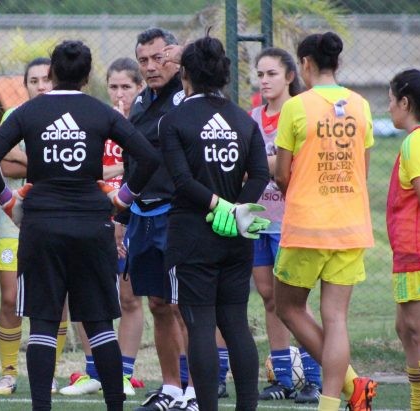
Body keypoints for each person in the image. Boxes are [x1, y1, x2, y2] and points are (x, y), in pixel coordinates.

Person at [0, 39, 160, 411]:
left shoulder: (29, 112)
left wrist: (9, 201)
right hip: (92, 227)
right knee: (99, 325)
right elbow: (148, 156)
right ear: (89, 76)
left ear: (53, 73)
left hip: (41, 227)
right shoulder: (99, 112)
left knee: (43, 326)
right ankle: (114, 406)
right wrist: (124, 198)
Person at [159, 34, 269, 411]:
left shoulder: (173, 120)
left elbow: (181, 181)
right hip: (237, 235)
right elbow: (259, 174)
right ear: (224, 74)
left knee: (201, 325)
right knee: (236, 323)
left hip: (192, 234)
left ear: (185, 74)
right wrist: (238, 209)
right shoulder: (243, 119)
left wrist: (218, 206)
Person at [273, 31, 377, 411]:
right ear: (339, 63)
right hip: (351, 225)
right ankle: (334, 401)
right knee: (336, 318)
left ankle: (350, 388)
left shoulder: (296, 107)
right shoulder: (362, 105)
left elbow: (281, 174)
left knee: (288, 307)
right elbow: (361, 173)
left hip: (306, 224)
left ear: (304, 64)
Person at [216, 47, 323, 404]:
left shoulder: (301, 112)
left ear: (291, 76)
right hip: (258, 218)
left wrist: (264, 163)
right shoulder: (251, 118)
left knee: (296, 299)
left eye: (272, 74)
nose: (264, 80)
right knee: (269, 297)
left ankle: (314, 376)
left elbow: (290, 167)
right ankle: (281, 376)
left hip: (291, 221)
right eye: (260, 74)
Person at [61, 57, 145, 398]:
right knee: (84, 293)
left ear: (140, 88)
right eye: (114, 86)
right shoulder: (96, 120)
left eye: (127, 86)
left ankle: (122, 371)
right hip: (95, 217)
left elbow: (142, 167)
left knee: (129, 298)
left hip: (132, 217)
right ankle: (94, 370)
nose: (120, 93)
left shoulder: (141, 123)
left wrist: (109, 177)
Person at [118, 27, 192, 411]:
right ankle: (172, 389)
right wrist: (122, 216)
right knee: (158, 305)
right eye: (143, 60)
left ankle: (197, 392)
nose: (151, 67)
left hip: (180, 216)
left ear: (176, 58)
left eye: (159, 58)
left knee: (186, 306)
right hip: (143, 216)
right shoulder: (142, 101)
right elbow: (134, 164)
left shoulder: (191, 98)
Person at [0, 57, 67, 396]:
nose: (41, 85)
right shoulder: (14, 116)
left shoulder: (69, 114)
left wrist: (26, 160)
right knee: (10, 299)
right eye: (34, 80)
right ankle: (8, 372)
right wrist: (44, 162)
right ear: (26, 85)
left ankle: (48, 371)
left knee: (55, 298)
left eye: (46, 79)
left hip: (56, 219)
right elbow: (3, 166)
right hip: (16, 219)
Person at [387, 69, 420, 411]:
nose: (388, 107)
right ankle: (419, 402)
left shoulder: (419, 139)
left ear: (406, 103)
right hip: (411, 254)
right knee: (405, 328)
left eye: (391, 100)